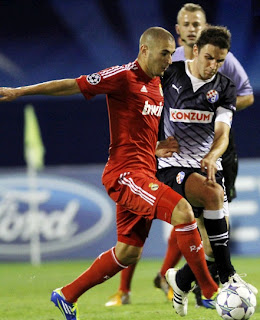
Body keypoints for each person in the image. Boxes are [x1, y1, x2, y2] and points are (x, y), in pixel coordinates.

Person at [0, 27, 220, 320]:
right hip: (125, 174)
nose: (169, 59)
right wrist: (20, 91)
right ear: (145, 50)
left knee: (128, 252)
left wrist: (156, 147)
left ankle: (66, 295)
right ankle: (211, 291)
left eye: (170, 54)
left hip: (144, 172)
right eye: (164, 53)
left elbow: (134, 133)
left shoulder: (156, 84)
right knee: (183, 211)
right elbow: (72, 85)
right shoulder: (123, 76)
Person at [105, 3, 255, 309]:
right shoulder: (168, 71)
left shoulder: (225, 86)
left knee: (213, 240)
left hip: (206, 163)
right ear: (194, 49)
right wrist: (152, 146)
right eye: (209, 58)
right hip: (171, 166)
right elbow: (140, 102)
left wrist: (214, 155)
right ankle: (224, 279)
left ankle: (180, 280)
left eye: (220, 61)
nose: (213, 65)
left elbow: (224, 131)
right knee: (209, 198)